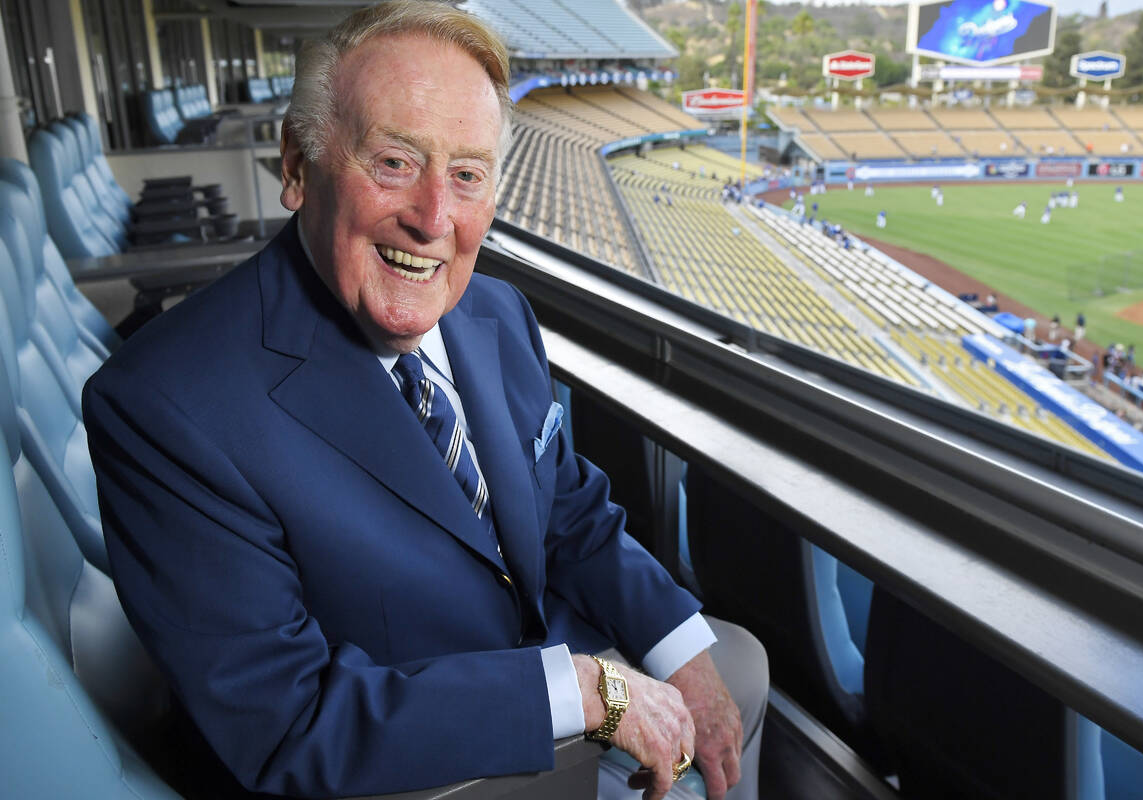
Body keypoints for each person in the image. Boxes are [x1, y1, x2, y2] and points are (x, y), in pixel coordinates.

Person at [82, 4, 766, 800]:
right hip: (426, 771)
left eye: (468, 175)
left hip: (547, 680)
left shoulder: (497, 314)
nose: (434, 219)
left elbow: (566, 507)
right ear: (297, 167)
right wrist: (582, 695)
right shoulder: (165, 404)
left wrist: (679, 651)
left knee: (736, 671)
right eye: (395, 162)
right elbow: (286, 723)